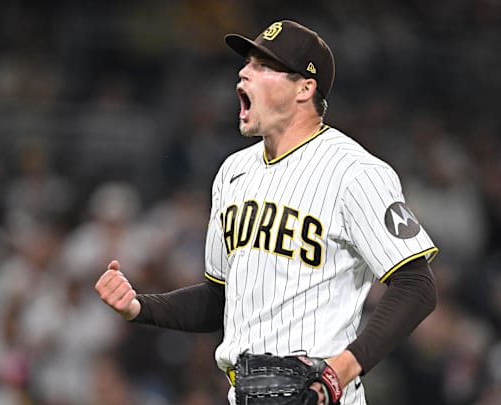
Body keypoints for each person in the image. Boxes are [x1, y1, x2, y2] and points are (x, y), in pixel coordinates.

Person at [95, 19, 439, 404]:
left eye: (263, 65)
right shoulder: (233, 173)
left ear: (305, 88)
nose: (244, 72)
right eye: (247, 64)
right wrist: (141, 305)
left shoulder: (355, 172)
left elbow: (417, 286)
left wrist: (339, 371)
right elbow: (220, 298)